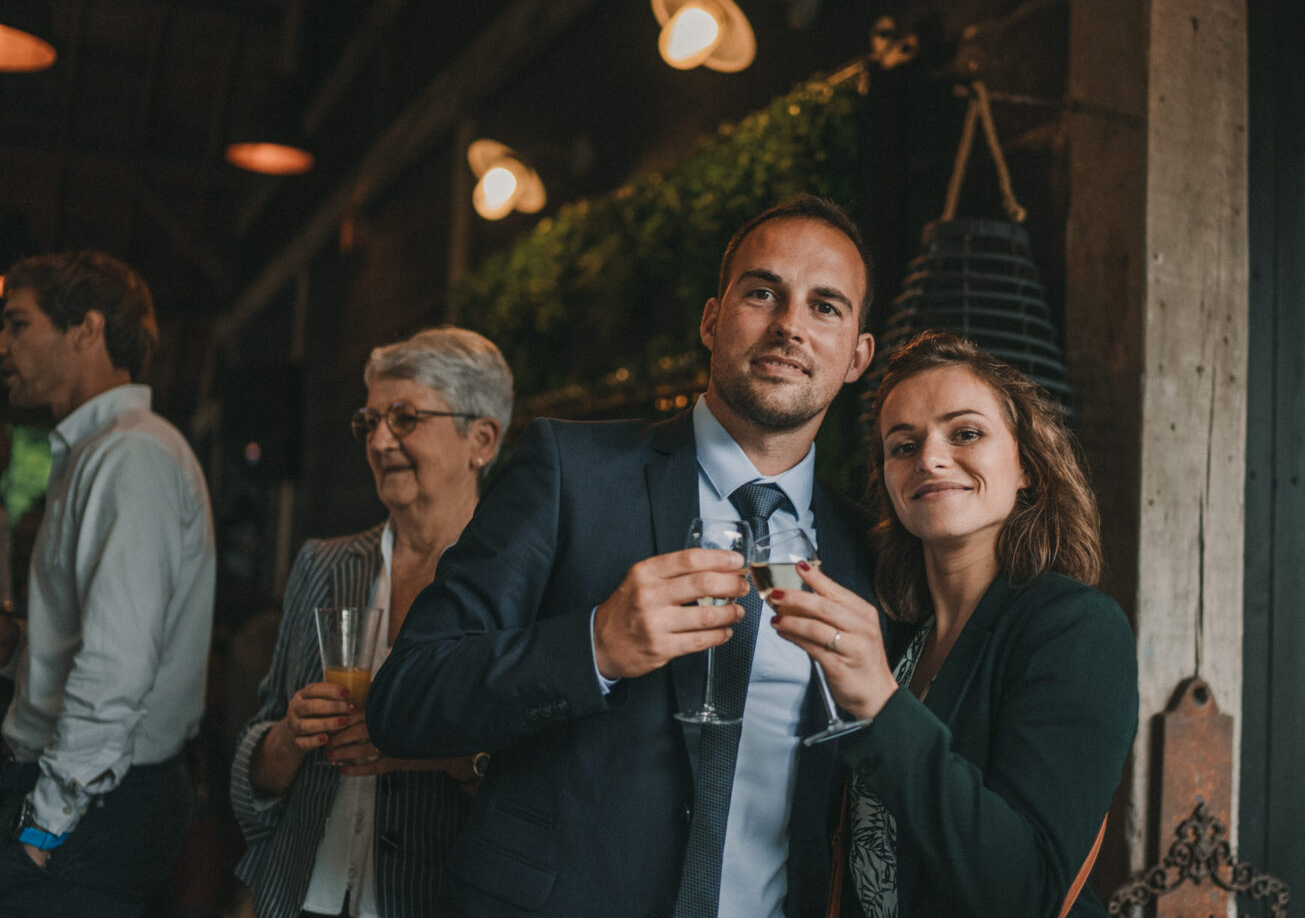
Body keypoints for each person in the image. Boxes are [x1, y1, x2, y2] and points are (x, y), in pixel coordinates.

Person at [366, 195, 880, 918]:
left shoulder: (867, 551)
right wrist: (594, 646)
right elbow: (404, 699)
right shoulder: (568, 472)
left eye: (825, 306)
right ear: (711, 319)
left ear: (857, 355)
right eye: (762, 292)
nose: (790, 324)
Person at [769, 330, 1138, 917]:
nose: (931, 459)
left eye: (965, 433)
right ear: (890, 484)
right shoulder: (896, 637)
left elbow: (1029, 891)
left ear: (1027, 468)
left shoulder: (1075, 629)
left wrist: (882, 706)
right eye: (903, 445)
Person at [229, 327, 514, 918]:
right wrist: (287, 735)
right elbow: (256, 761)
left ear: (481, 439)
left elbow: (546, 786)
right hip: (297, 896)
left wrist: (430, 754)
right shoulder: (323, 564)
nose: (381, 441)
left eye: (405, 418)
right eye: (370, 422)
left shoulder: (517, 582)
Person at [0, 251, 215, 916]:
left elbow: (117, 667)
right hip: (75, 784)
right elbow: (94, 634)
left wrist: (42, 829)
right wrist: (19, 645)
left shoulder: (133, 454)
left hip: (93, 798)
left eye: (17, 323)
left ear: (86, 329)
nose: (2, 344)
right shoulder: (92, 452)